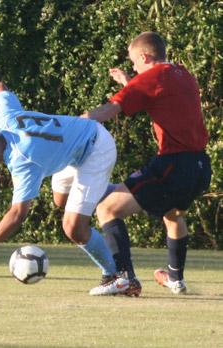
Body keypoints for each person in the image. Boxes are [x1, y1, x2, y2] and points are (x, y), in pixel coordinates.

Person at [0, 80, 131, 295]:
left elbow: (17, 214)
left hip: (95, 149)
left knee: (73, 227)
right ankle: (123, 195)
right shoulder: (5, 121)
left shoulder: (23, 161)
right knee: (61, 200)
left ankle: (115, 277)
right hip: (76, 145)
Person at [83, 32, 211, 295]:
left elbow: (109, 110)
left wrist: (74, 123)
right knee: (173, 214)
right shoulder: (181, 73)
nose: (133, 67)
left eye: (134, 62)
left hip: (174, 163)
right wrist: (131, 82)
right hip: (199, 165)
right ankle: (175, 277)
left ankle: (123, 277)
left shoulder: (151, 78)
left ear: (144, 56)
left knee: (107, 208)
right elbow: (158, 97)